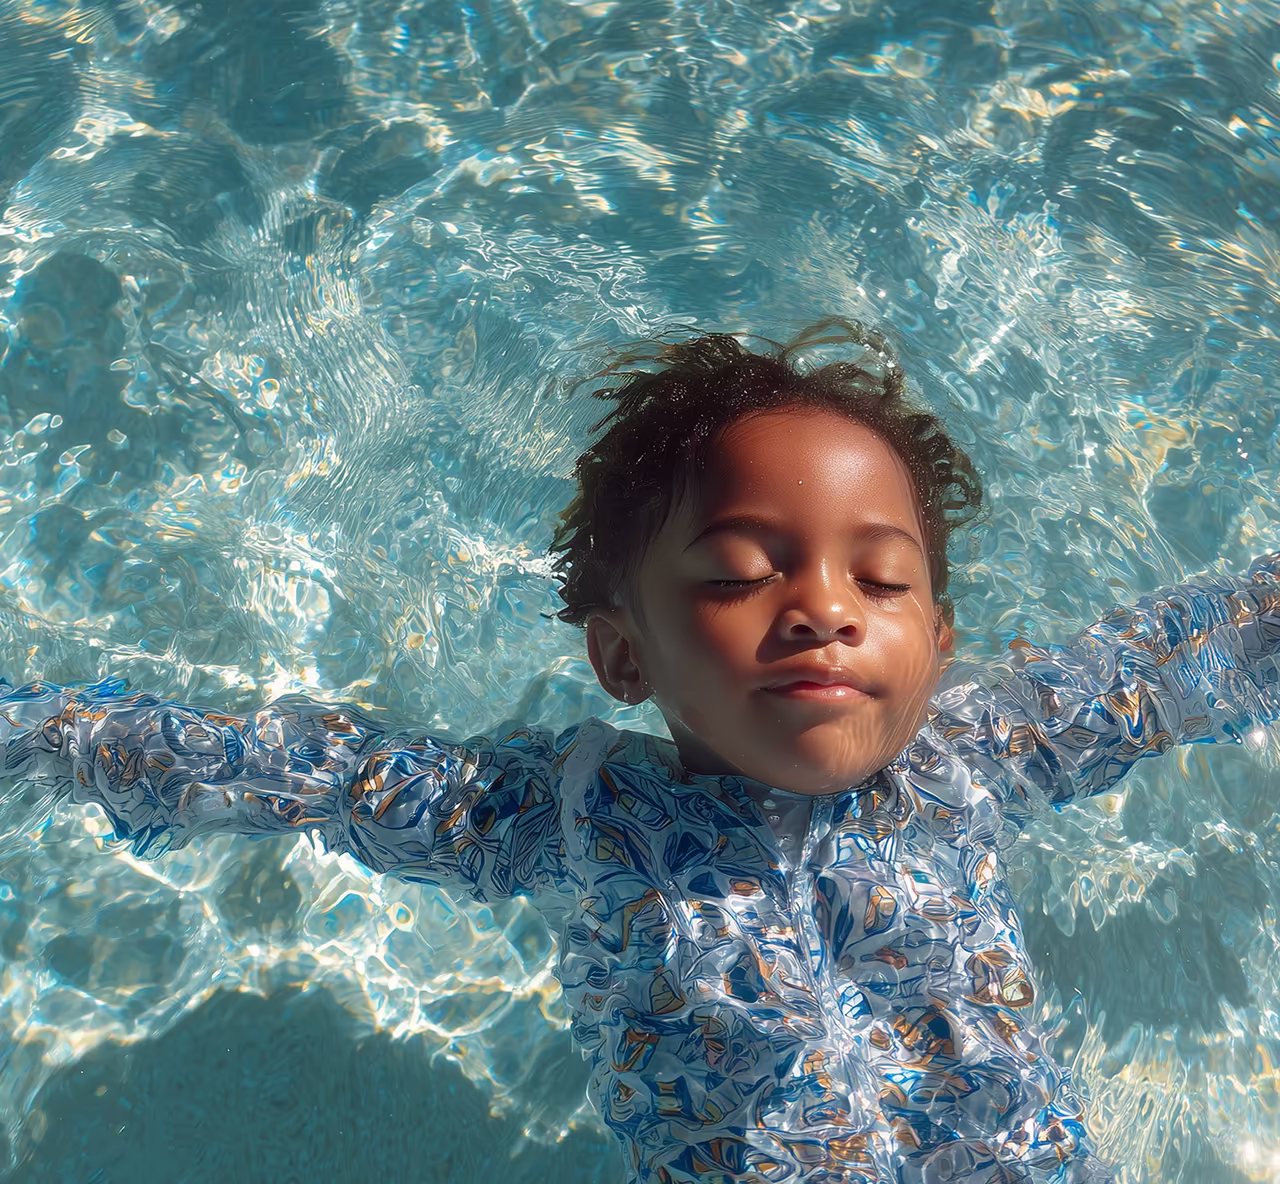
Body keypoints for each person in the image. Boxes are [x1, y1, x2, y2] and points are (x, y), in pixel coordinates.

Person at [2, 320, 1278, 1184]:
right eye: (736, 572)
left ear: (938, 642)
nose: (823, 603)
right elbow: (299, 770)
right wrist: (46, 737)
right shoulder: (561, 812)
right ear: (624, 658)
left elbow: (1178, 660)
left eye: (879, 578)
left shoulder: (980, 752)